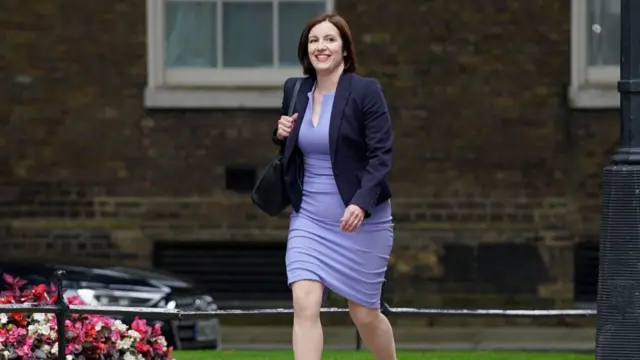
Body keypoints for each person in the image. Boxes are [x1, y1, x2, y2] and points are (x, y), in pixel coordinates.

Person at [271, 12, 397, 360]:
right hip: (309, 218)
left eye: (329, 39)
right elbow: (291, 148)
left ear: (344, 48)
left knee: (365, 315)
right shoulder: (295, 90)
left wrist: (361, 202)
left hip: (360, 221)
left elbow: (381, 154)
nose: (321, 47)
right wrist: (280, 133)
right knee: (304, 304)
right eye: (314, 40)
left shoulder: (365, 91)